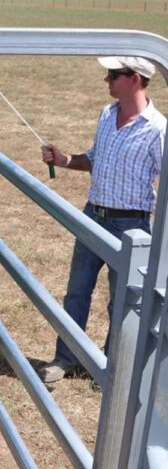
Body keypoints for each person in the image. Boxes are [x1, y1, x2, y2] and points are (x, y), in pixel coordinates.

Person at [38, 56, 166, 384]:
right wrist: (64, 159)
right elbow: (95, 159)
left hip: (132, 227)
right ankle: (67, 358)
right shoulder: (106, 115)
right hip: (93, 215)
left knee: (122, 303)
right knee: (77, 292)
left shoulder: (158, 130)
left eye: (112, 74)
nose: (106, 80)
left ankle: (111, 370)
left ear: (135, 79)